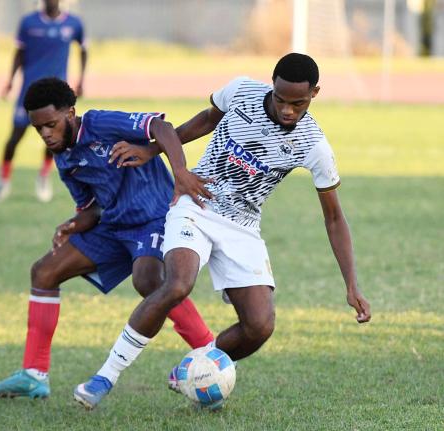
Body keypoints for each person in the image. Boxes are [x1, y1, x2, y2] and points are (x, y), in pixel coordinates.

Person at [76, 53, 372, 410]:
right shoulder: (242, 91)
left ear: (315, 93)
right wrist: (152, 149)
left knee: (260, 326)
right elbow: (205, 120)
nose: (288, 110)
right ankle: (105, 376)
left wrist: (352, 284)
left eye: (299, 103)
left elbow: (335, 218)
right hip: (197, 204)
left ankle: (192, 370)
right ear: (272, 85)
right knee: (177, 284)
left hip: (243, 227)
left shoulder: (314, 146)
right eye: (281, 99)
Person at [0, 77, 215, 400]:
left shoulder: (101, 123)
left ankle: (211, 351)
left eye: (51, 124)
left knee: (149, 281)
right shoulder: (63, 158)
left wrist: (180, 173)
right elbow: (92, 208)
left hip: (154, 217)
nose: (46, 134)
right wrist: (73, 224)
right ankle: (34, 374)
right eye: (39, 129)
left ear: (71, 113)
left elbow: (162, 129)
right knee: (44, 272)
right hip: (112, 226)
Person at [0, 0, 88, 203]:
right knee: (15, 137)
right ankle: (4, 180)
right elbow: (19, 53)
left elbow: (83, 49)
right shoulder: (28, 22)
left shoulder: (73, 23)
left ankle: (44, 177)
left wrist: (81, 80)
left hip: (55, 96)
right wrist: (10, 81)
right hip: (28, 92)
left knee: (54, 139)